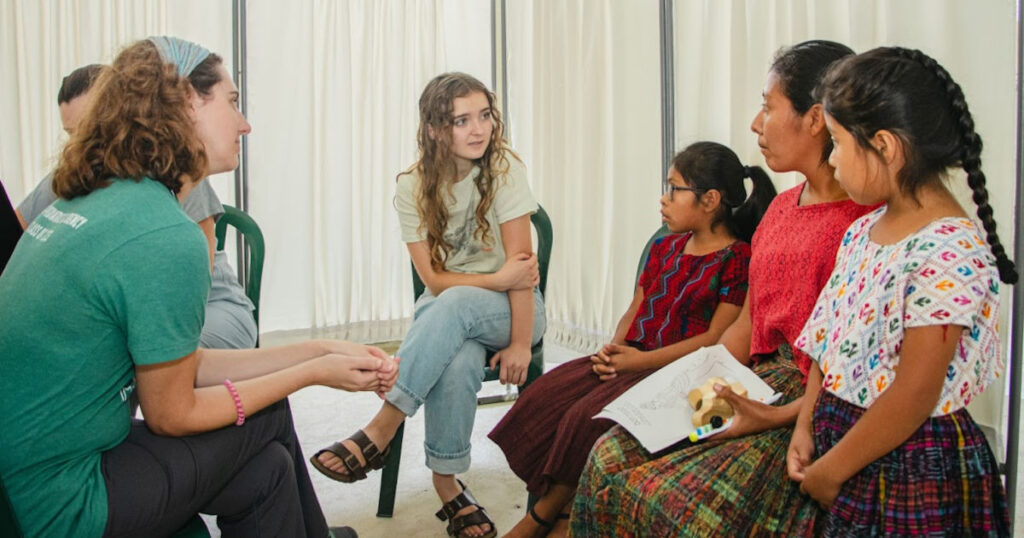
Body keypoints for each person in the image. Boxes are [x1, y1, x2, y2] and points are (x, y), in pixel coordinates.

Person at [0, 36, 398, 538]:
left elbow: (185, 365)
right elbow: (173, 412)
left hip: (34, 472)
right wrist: (312, 373)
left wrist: (316, 351)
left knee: (265, 471)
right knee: (269, 415)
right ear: (186, 105)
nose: (245, 123)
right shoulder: (165, 235)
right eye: (232, 102)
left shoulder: (96, 202)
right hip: (66, 500)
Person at [570, 40, 875, 537]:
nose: (756, 123)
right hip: (745, 378)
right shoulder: (780, 210)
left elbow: (857, 372)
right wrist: (684, 388)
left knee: (664, 501)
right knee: (610, 454)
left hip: (803, 402)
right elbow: (747, 326)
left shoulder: (864, 223)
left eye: (767, 105)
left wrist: (771, 414)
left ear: (816, 119)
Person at [489, 141, 775, 538]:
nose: (664, 199)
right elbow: (635, 308)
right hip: (631, 357)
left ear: (710, 200)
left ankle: (540, 519)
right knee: (546, 396)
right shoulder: (665, 246)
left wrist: (635, 363)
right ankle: (564, 508)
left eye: (674, 189)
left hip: (675, 371)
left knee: (584, 419)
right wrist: (613, 348)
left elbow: (713, 339)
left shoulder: (736, 259)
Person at [788, 46, 1014, 537]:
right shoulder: (861, 231)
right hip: (842, 447)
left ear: (885, 146)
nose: (831, 159)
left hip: (910, 468)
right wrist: (805, 426)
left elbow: (914, 394)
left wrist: (831, 470)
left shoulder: (949, 249)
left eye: (838, 143)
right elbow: (829, 341)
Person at [310, 72, 545, 538]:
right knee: (456, 358)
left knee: (456, 306)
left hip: (514, 311)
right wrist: (494, 275)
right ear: (435, 129)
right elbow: (433, 280)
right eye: (462, 120)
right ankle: (448, 485)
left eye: (484, 116)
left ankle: (381, 428)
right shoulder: (411, 187)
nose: (478, 130)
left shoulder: (504, 171)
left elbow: (521, 272)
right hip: (445, 309)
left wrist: (520, 343)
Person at [17, 64, 258, 351]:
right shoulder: (76, 170)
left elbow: (191, 285)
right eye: (72, 133)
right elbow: (20, 235)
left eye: (89, 128)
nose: (81, 142)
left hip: (206, 309)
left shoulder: (172, 172)